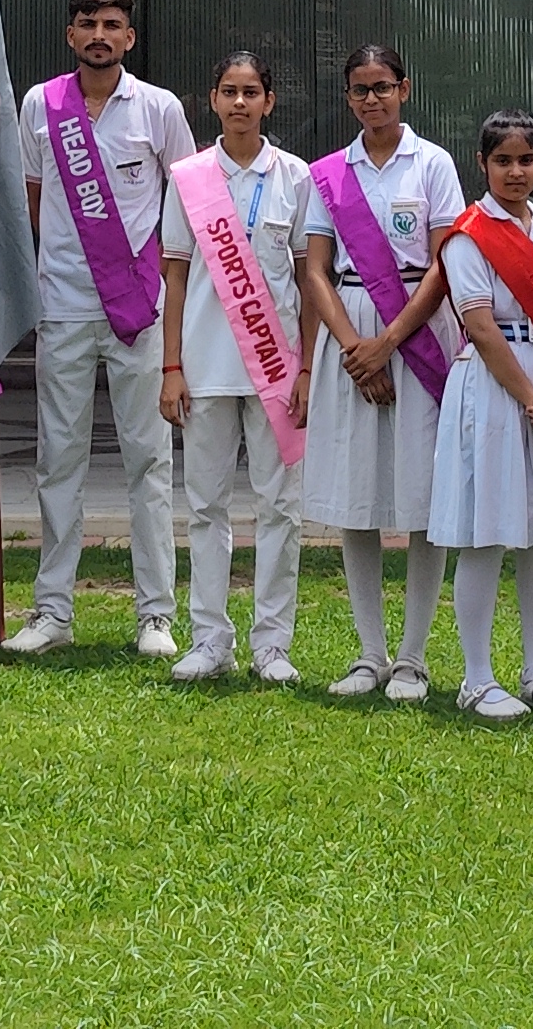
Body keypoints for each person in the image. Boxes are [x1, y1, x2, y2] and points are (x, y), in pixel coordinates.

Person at [9, 0, 194, 657]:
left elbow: (187, 198)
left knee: (150, 462)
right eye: (87, 23)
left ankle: (156, 617)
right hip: (62, 306)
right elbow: (32, 197)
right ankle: (52, 613)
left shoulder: (160, 108)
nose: (99, 35)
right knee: (58, 462)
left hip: (140, 311)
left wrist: (146, 277)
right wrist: (71, 257)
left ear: (129, 37)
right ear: (71, 34)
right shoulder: (41, 104)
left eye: (112, 24)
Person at [299, 39, 461, 701]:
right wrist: (355, 350)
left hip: (418, 330)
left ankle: (413, 657)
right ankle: (369, 654)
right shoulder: (330, 174)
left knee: (424, 498)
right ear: (349, 98)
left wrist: (388, 343)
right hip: (349, 335)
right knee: (357, 498)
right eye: (361, 90)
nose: (373, 99)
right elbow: (315, 269)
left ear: (405, 90)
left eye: (383, 87)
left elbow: (446, 262)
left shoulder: (434, 164)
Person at [426, 110, 533, 723]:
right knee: (488, 529)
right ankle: (477, 677)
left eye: (526, 160)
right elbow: (480, 326)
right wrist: (532, 399)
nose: (516, 172)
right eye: (503, 161)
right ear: (483, 164)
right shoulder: (469, 237)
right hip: (494, 388)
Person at [157, 46, 320, 683]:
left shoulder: (295, 176)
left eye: (251, 92)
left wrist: (306, 368)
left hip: (278, 369)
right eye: (229, 91)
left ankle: (272, 645)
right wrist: (170, 365)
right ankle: (209, 639)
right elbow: (174, 276)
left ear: (269, 102)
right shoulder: (189, 177)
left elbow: (309, 279)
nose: (240, 102)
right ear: (213, 100)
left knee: (280, 507)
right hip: (204, 366)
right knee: (206, 505)